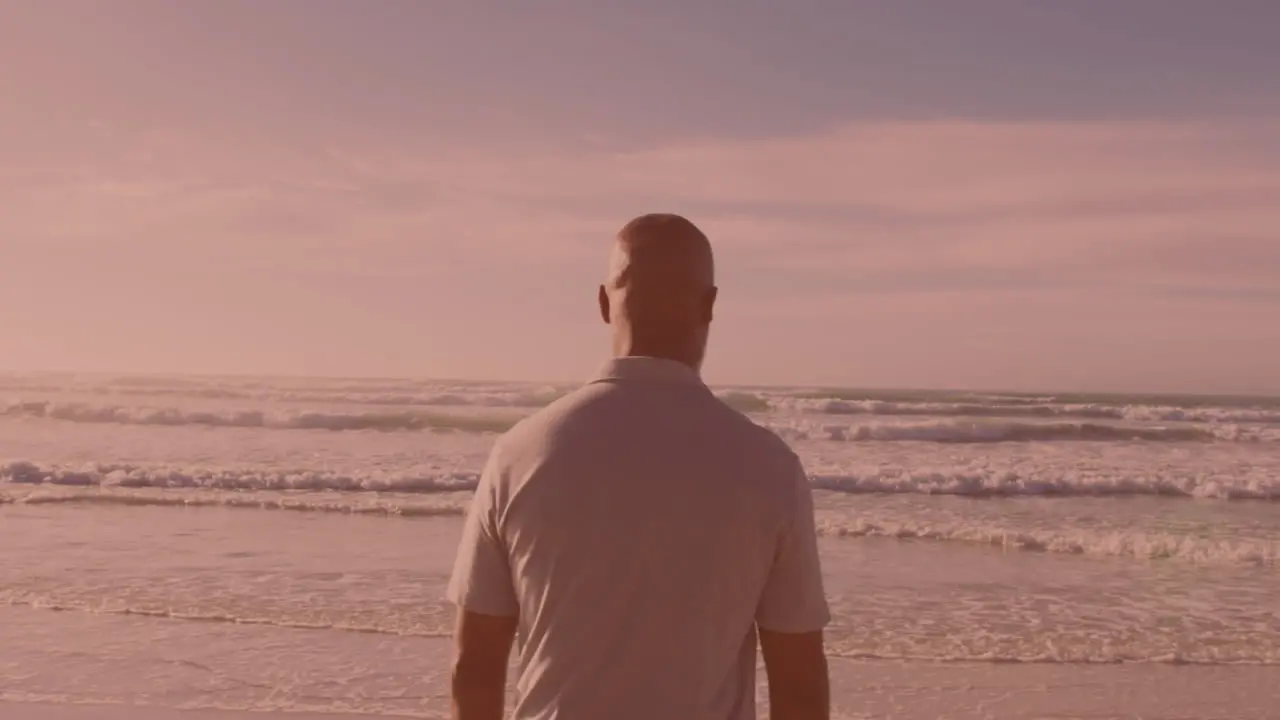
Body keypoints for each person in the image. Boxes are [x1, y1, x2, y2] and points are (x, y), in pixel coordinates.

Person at [446, 213, 831, 720]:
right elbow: (798, 686)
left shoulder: (521, 453)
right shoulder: (768, 467)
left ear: (604, 303)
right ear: (709, 305)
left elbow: (475, 664)